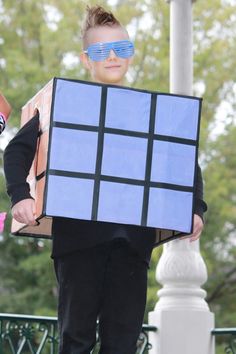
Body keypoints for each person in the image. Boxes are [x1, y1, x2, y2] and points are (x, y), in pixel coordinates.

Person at [3, 5, 207, 354]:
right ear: (87, 59)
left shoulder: (150, 114)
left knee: (123, 343)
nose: (113, 57)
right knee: (76, 338)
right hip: (78, 243)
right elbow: (16, 151)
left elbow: (183, 159)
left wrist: (195, 207)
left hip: (133, 245)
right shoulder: (63, 105)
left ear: (130, 54)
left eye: (122, 49)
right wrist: (21, 195)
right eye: (101, 51)